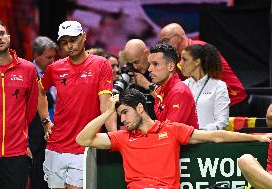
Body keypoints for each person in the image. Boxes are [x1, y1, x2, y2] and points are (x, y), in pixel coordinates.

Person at [76, 88, 271, 189]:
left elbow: (216, 136)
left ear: (140, 108)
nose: (123, 119)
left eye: (125, 112)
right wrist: (109, 111)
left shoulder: (171, 130)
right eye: (120, 115)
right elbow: (83, 140)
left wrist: (258, 137)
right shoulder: (122, 137)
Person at [38, 20, 116, 189]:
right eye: (64, 42)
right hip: (55, 145)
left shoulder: (101, 64)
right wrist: (45, 121)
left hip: (84, 147)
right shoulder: (54, 68)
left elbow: (106, 105)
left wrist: (115, 137)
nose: (69, 46)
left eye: (73, 40)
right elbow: (40, 91)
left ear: (84, 37)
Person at [0, 18, 38, 189]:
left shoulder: (28, 69)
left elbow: (31, 109)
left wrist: (23, 140)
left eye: (1, 33)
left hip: (16, 153)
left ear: (8, 36)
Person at [160, 23, 248, 115]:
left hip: (232, 101)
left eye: (165, 40)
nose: (163, 45)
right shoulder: (178, 57)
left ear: (178, 38)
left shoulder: (201, 49)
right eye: (161, 42)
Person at [28, 36, 58, 189]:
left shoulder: (57, 72)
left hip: (57, 133)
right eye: (48, 57)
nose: (52, 61)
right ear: (36, 55)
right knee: (38, 176)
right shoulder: (28, 73)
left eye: (54, 57)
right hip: (36, 135)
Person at [148, 43, 199, 129]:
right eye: (149, 64)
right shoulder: (160, 91)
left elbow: (170, 131)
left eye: (155, 64)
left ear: (171, 66)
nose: (149, 69)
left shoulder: (179, 92)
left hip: (185, 142)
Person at [180, 44, 230, 130]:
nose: (180, 63)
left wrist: (201, 132)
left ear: (197, 62)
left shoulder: (218, 86)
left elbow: (222, 122)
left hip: (207, 140)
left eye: (184, 60)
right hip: (184, 140)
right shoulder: (181, 85)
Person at [123, 39, 156, 119]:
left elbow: (168, 99)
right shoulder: (129, 71)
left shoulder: (161, 68)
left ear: (147, 53)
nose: (135, 67)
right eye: (131, 63)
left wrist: (145, 84)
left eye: (136, 62)